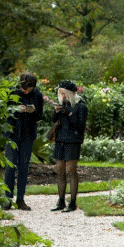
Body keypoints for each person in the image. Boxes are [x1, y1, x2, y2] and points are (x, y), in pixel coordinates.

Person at [3, 73, 45, 210]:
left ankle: (20, 199)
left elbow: (40, 116)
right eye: (24, 89)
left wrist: (33, 111)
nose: (26, 92)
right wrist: (16, 110)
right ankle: (7, 199)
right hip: (12, 134)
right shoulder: (12, 91)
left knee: (24, 168)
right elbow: (5, 112)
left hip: (28, 135)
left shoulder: (37, 95)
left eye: (29, 89)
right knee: (10, 167)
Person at [51, 80, 88, 213]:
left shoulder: (81, 106)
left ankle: (72, 202)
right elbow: (54, 120)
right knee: (59, 170)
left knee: (70, 171)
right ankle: (60, 200)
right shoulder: (62, 104)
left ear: (70, 93)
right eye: (60, 94)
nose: (63, 97)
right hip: (60, 140)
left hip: (73, 141)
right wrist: (57, 111)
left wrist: (68, 113)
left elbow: (80, 126)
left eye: (64, 94)